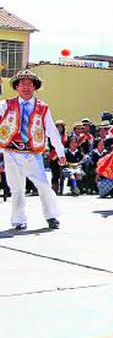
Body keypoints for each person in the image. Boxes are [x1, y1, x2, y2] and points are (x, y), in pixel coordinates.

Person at [0, 70, 66, 230]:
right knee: (16, 188)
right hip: (11, 152)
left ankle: (51, 215)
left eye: (30, 84)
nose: (26, 87)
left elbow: (51, 130)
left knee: (43, 184)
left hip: (33, 153)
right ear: (16, 87)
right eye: (22, 84)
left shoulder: (42, 107)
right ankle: (19, 220)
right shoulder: (5, 105)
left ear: (35, 87)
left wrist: (60, 151)